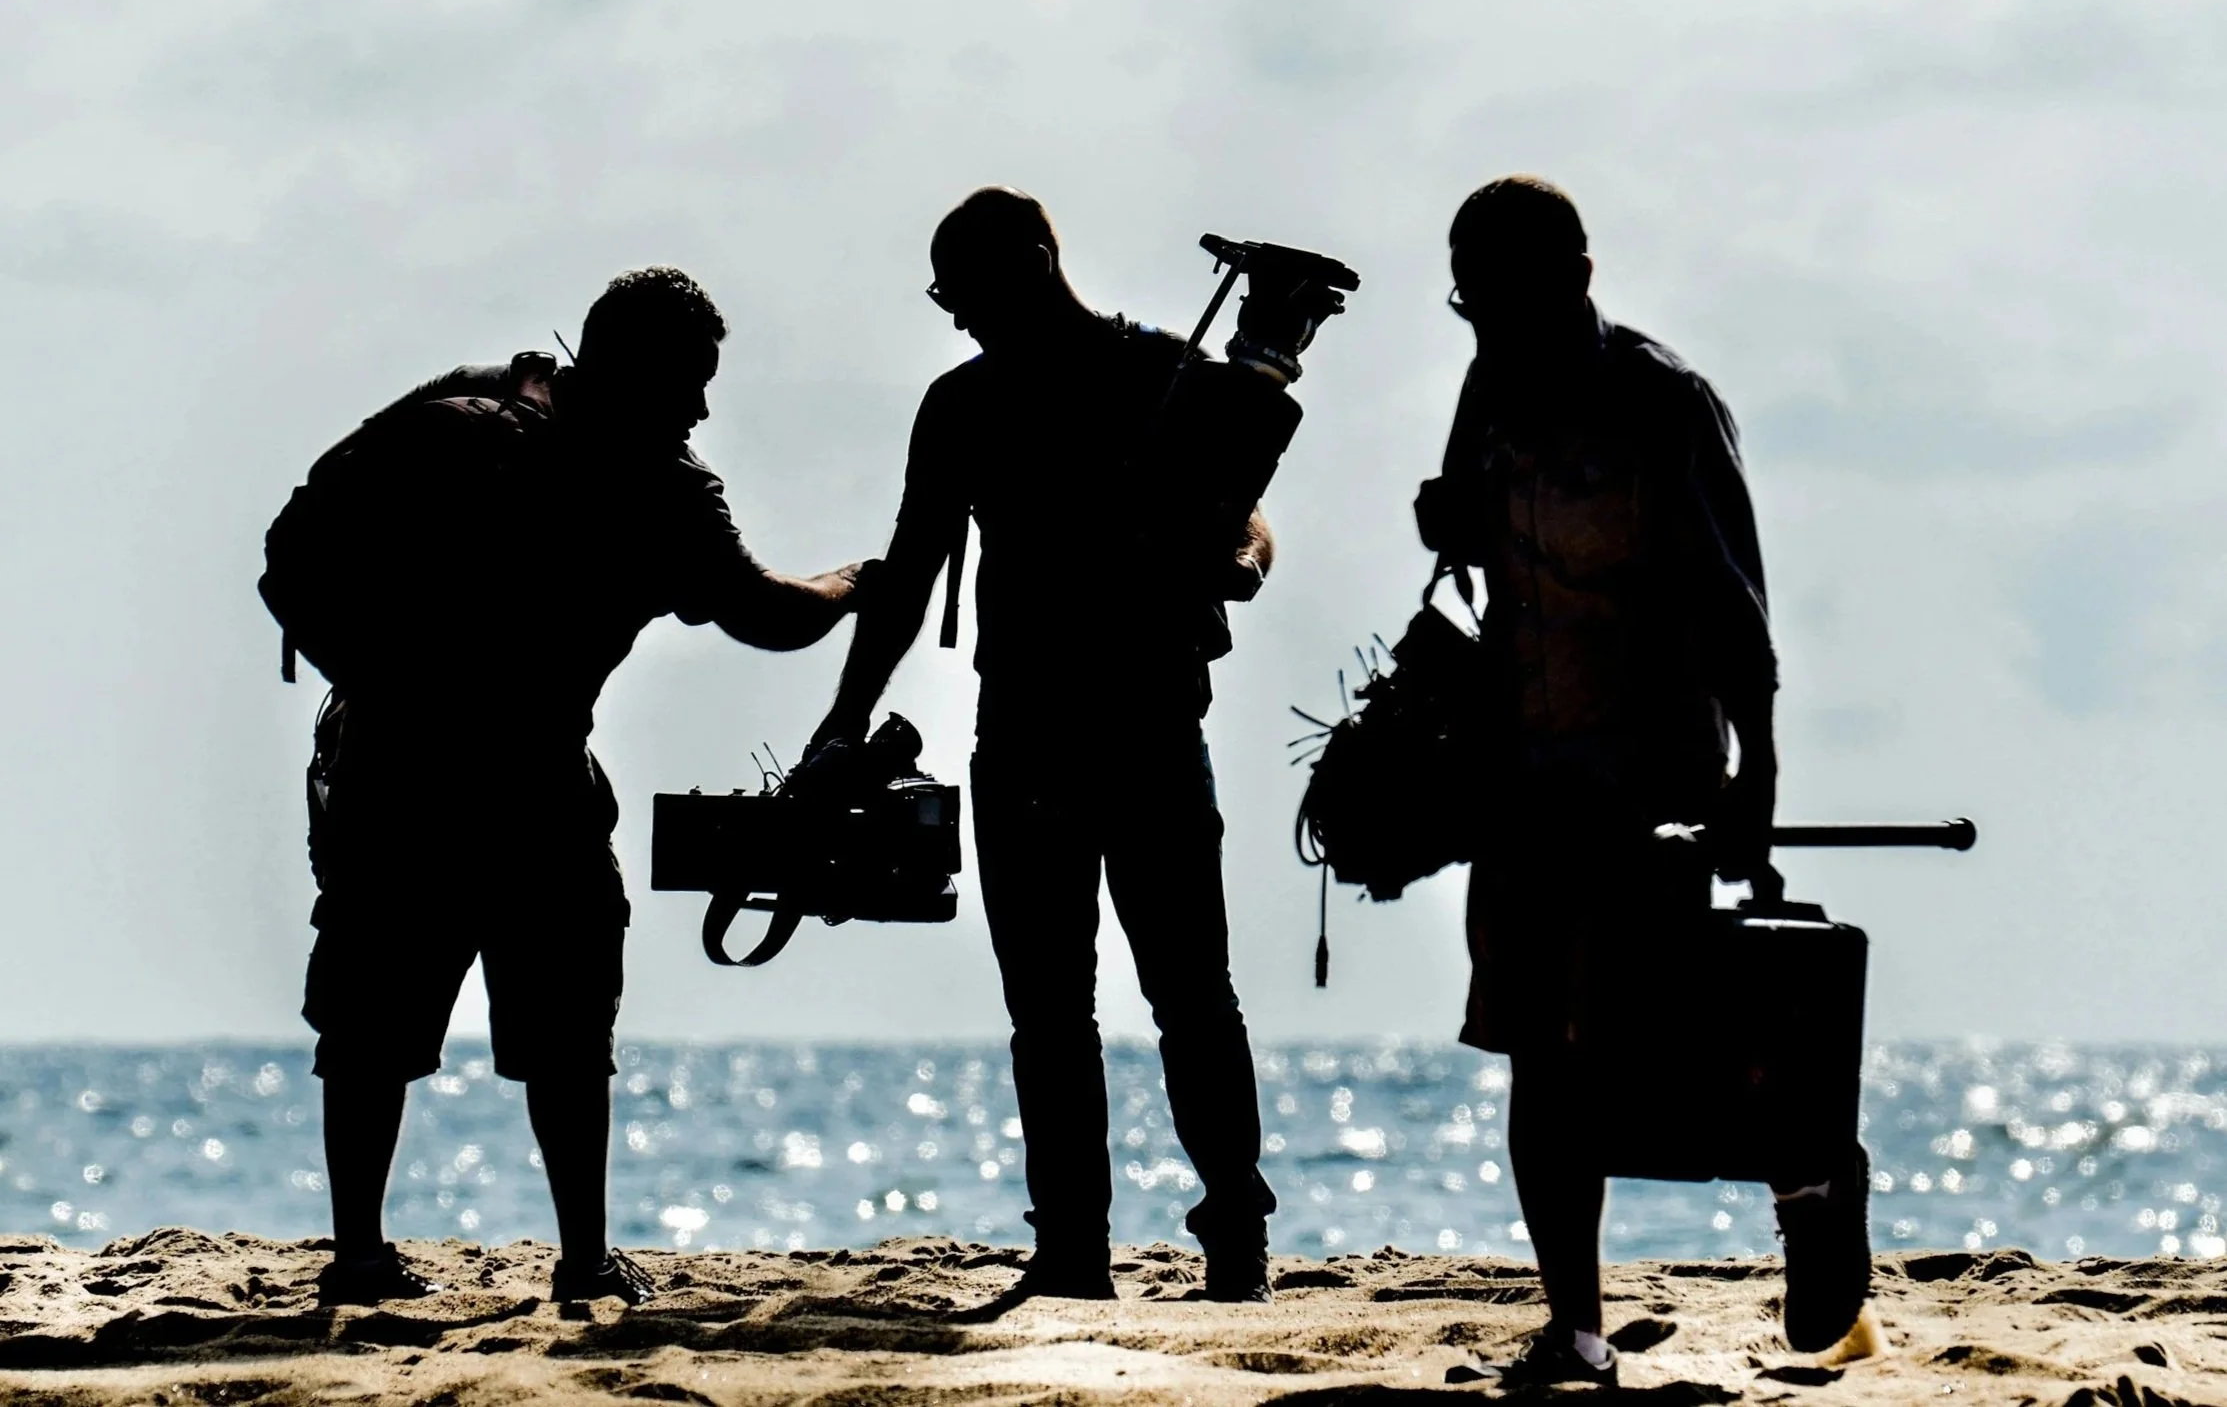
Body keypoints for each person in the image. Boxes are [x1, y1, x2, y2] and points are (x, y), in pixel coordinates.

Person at [260, 267, 864, 1307]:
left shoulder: (464, 403)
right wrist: (854, 584)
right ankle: (582, 1258)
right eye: (690, 380)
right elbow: (766, 614)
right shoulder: (666, 491)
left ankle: (361, 1253)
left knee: (370, 1028)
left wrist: (369, 683)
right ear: (636, 370)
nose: (700, 407)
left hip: (390, 772)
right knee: (567, 1035)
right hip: (535, 790)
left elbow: (288, 556)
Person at [812, 187, 1341, 1303]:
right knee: (1059, 1010)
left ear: (1040, 260)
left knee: (1186, 995)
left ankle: (1231, 1240)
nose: (961, 316)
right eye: (948, 299)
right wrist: (844, 717)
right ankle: (1072, 1250)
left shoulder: (1164, 369)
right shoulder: (964, 404)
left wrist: (1244, 559)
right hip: (1033, 732)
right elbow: (910, 572)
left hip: (1143, 725)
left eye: (969, 293)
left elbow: (1241, 510)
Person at [1416, 177, 1869, 1384]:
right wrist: (1445, 520)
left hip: (1649, 772)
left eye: (1506, 298)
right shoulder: (1486, 387)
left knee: (1664, 1038)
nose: (1487, 325)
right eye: (1470, 303)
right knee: (1539, 1048)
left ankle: (1812, 1183)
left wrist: (1757, 768)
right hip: (1519, 771)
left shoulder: (1664, 400)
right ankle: (1576, 1328)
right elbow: (1470, 538)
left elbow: (1733, 598)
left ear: (1576, 276)